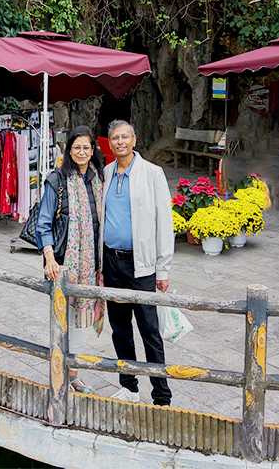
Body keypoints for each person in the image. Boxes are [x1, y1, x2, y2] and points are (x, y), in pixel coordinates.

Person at [102, 120, 173, 406]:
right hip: (112, 262)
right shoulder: (107, 172)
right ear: (109, 143)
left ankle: (161, 394)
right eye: (115, 138)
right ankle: (129, 386)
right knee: (120, 328)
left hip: (141, 265)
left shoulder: (152, 174)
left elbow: (164, 224)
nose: (120, 142)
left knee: (149, 330)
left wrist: (163, 268)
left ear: (134, 139)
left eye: (125, 137)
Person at [35, 125, 105, 395]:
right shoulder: (57, 180)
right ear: (69, 150)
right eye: (77, 147)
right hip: (63, 264)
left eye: (86, 147)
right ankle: (60, 374)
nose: (82, 152)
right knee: (62, 318)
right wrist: (49, 259)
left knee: (79, 321)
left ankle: (72, 374)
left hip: (91, 264)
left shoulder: (98, 177)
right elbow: (43, 223)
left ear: (93, 149)